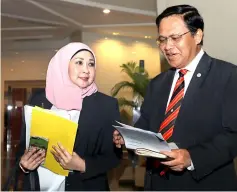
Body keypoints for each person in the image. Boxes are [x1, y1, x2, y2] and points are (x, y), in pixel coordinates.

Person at [113, 4, 237, 191]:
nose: (167, 47)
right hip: (157, 183)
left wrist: (192, 158)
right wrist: (129, 136)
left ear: (197, 36)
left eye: (175, 38)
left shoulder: (228, 76)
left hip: (203, 183)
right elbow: (146, 124)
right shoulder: (158, 83)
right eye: (162, 40)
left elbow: (233, 135)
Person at [15, 42, 122, 191]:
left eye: (91, 64)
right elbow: (23, 147)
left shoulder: (106, 105)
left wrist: (82, 165)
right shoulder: (40, 99)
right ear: (63, 65)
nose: (86, 70)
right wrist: (24, 164)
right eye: (79, 62)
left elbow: (113, 156)